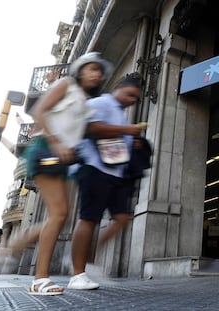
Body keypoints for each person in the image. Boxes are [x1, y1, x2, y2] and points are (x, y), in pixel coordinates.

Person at [16, 52, 112, 295]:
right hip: (46, 150)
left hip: (64, 159)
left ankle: (16, 246)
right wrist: (56, 141)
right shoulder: (66, 84)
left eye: (99, 72)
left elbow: (83, 129)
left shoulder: (83, 100)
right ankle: (39, 279)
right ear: (80, 70)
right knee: (59, 215)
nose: (95, 74)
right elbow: (39, 111)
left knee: (62, 216)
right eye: (91, 69)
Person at [67, 73, 145, 290]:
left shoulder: (119, 114)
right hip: (94, 168)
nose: (132, 100)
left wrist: (133, 142)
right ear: (118, 87)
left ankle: (89, 254)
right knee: (89, 219)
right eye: (130, 94)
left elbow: (116, 142)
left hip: (115, 175)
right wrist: (127, 131)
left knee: (121, 218)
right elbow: (90, 128)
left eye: (135, 98)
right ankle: (78, 274)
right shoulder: (102, 102)